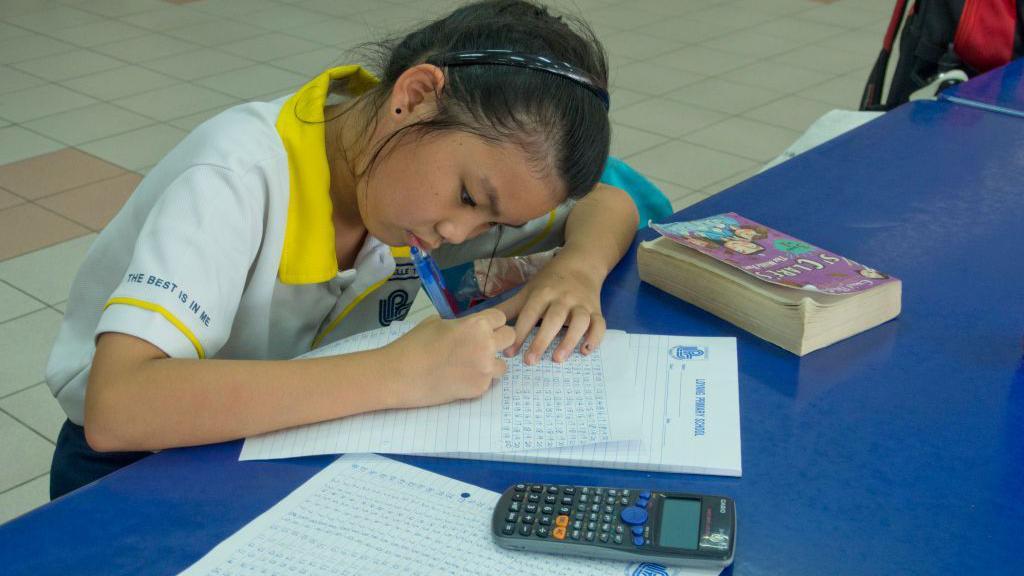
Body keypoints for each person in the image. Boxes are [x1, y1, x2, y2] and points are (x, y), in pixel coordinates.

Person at [44, 0, 640, 498]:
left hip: (286, 439)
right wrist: (399, 373)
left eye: (496, 222)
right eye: (468, 197)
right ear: (415, 96)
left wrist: (576, 270)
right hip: (137, 466)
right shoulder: (236, 177)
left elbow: (611, 203)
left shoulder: (416, 192)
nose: (461, 234)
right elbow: (119, 407)